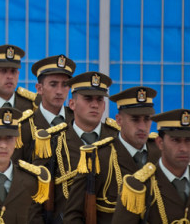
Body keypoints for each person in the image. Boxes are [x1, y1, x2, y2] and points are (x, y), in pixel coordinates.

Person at [64, 86, 161, 224]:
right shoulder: (98, 157)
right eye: (135, 119)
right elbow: (73, 215)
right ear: (119, 120)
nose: (142, 126)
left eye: (146, 119)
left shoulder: (160, 154)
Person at [112, 109, 190, 224]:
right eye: (176, 140)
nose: (183, 148)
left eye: (188, 140)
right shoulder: (140, 187)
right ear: (160, 143)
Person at [44, 71, 118, 221]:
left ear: (104, 106)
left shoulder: (116, 140)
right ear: (72, 104)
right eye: (88, 99)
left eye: (99, 100)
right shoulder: (53, 142)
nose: (94, 104)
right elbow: (37, 198)